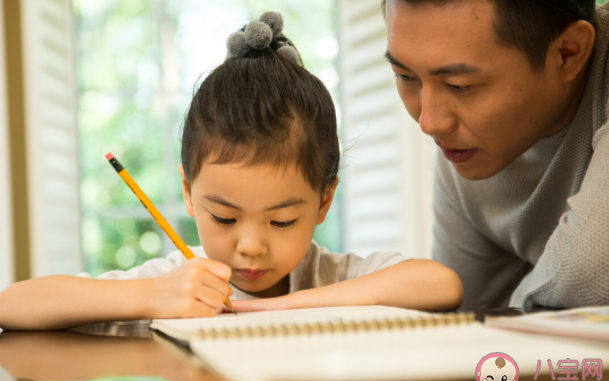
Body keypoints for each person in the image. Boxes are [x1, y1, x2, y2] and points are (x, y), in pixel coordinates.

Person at [0, 12, 462, 331]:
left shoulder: (335, 277)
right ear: (187, 191)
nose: (250, 246)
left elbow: (441, 285)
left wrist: (281, 309)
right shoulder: (174, 284)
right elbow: (13, 305)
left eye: (282, 221)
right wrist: (150, 298)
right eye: (223, 217)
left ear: (324, 200)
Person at [382, 0, 608, 309]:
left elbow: (588, 277)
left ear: (568, 53)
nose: (429, 123)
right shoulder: (467, 147)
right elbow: (459, 324)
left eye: (459, 85)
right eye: (405, 76)